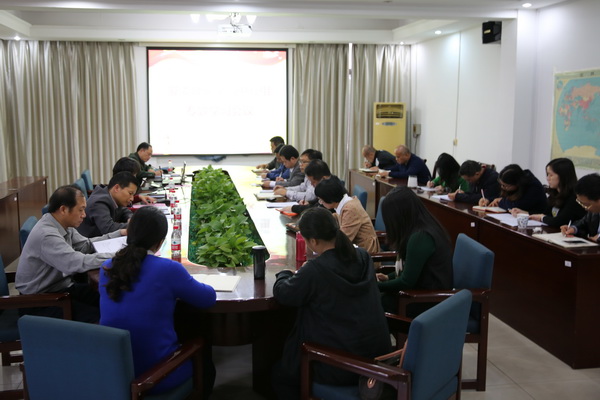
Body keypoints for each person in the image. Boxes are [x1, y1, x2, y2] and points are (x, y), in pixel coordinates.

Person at [272, 207, 391, 400]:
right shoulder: (362, 256)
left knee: (281, 375)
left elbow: (284, 294)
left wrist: (284, 274)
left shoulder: (315, 270)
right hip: (375, 357)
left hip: (340, 367)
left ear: (313, 241)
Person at [99, 206, 217, 397]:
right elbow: (208, 298)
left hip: (115, 374)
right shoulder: (168, 269)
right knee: (201, 345)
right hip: (154, 377)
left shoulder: (107, 267)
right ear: (161, 241)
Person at [15, 185, 126, 323]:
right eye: (81, 210)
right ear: (63, 209)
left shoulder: (62, 224)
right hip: (40, 302)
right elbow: (76, 263)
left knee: (112, 297)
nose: (84, 215)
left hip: (61, 289)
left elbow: (86, 245)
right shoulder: (47, 235)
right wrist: (119, 256)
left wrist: (119, 233)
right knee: (101, 317)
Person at [376, 186, 453, 314]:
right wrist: (387, 277)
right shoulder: (421, 227)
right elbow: (410, 270)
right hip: (421, 293)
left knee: (374, 302)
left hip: (427, 300)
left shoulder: (421, 237)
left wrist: (375, 286)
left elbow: (406, 282)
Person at [511, 158, 585, 227]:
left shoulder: (574, 197)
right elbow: (546, 214)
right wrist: (525, 213)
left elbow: (559, 221)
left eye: (551, 175)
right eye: (547, 174)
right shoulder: (555, 193)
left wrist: (542, 217)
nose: (547, 178)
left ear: (563, 176)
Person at [314, 177, 380, 254]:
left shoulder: (350, 209)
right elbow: (338, 217)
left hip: (365, 253)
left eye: (321, 200)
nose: (321, 203)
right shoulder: (345, 203)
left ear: (330, 199)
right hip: (355, 249)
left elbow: (342, 240)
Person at [77, 171, 139, 238]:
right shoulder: (98, 203)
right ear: (117, 188)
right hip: (91, 241)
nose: (132, 198)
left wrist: (130, 218)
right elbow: (109, 229)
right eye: (130, 193)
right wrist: (136, 225)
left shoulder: (112, 197)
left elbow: (124, 210)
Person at [561, 173, 600, 243]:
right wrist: (573, 229)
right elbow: (583, 223)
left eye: (586, 204)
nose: (584, 208)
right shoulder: (593, 212)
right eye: (580, 202)